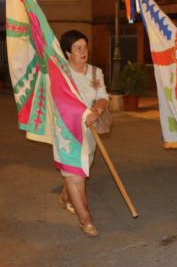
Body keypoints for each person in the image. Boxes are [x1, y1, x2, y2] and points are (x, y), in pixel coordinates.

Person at [58, 30, 110, 237]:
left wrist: (97, 110)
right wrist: (81, 114)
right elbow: (59, 102)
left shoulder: (95, 73)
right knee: (76, 174)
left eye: (85, 47)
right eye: (78, 48)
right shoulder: (61, 74)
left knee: (80, 169)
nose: (83, 51)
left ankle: (65, 196)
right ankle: (85, 220)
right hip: (66, 132)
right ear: (67, 53)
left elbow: (103, 96)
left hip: (90, 132)